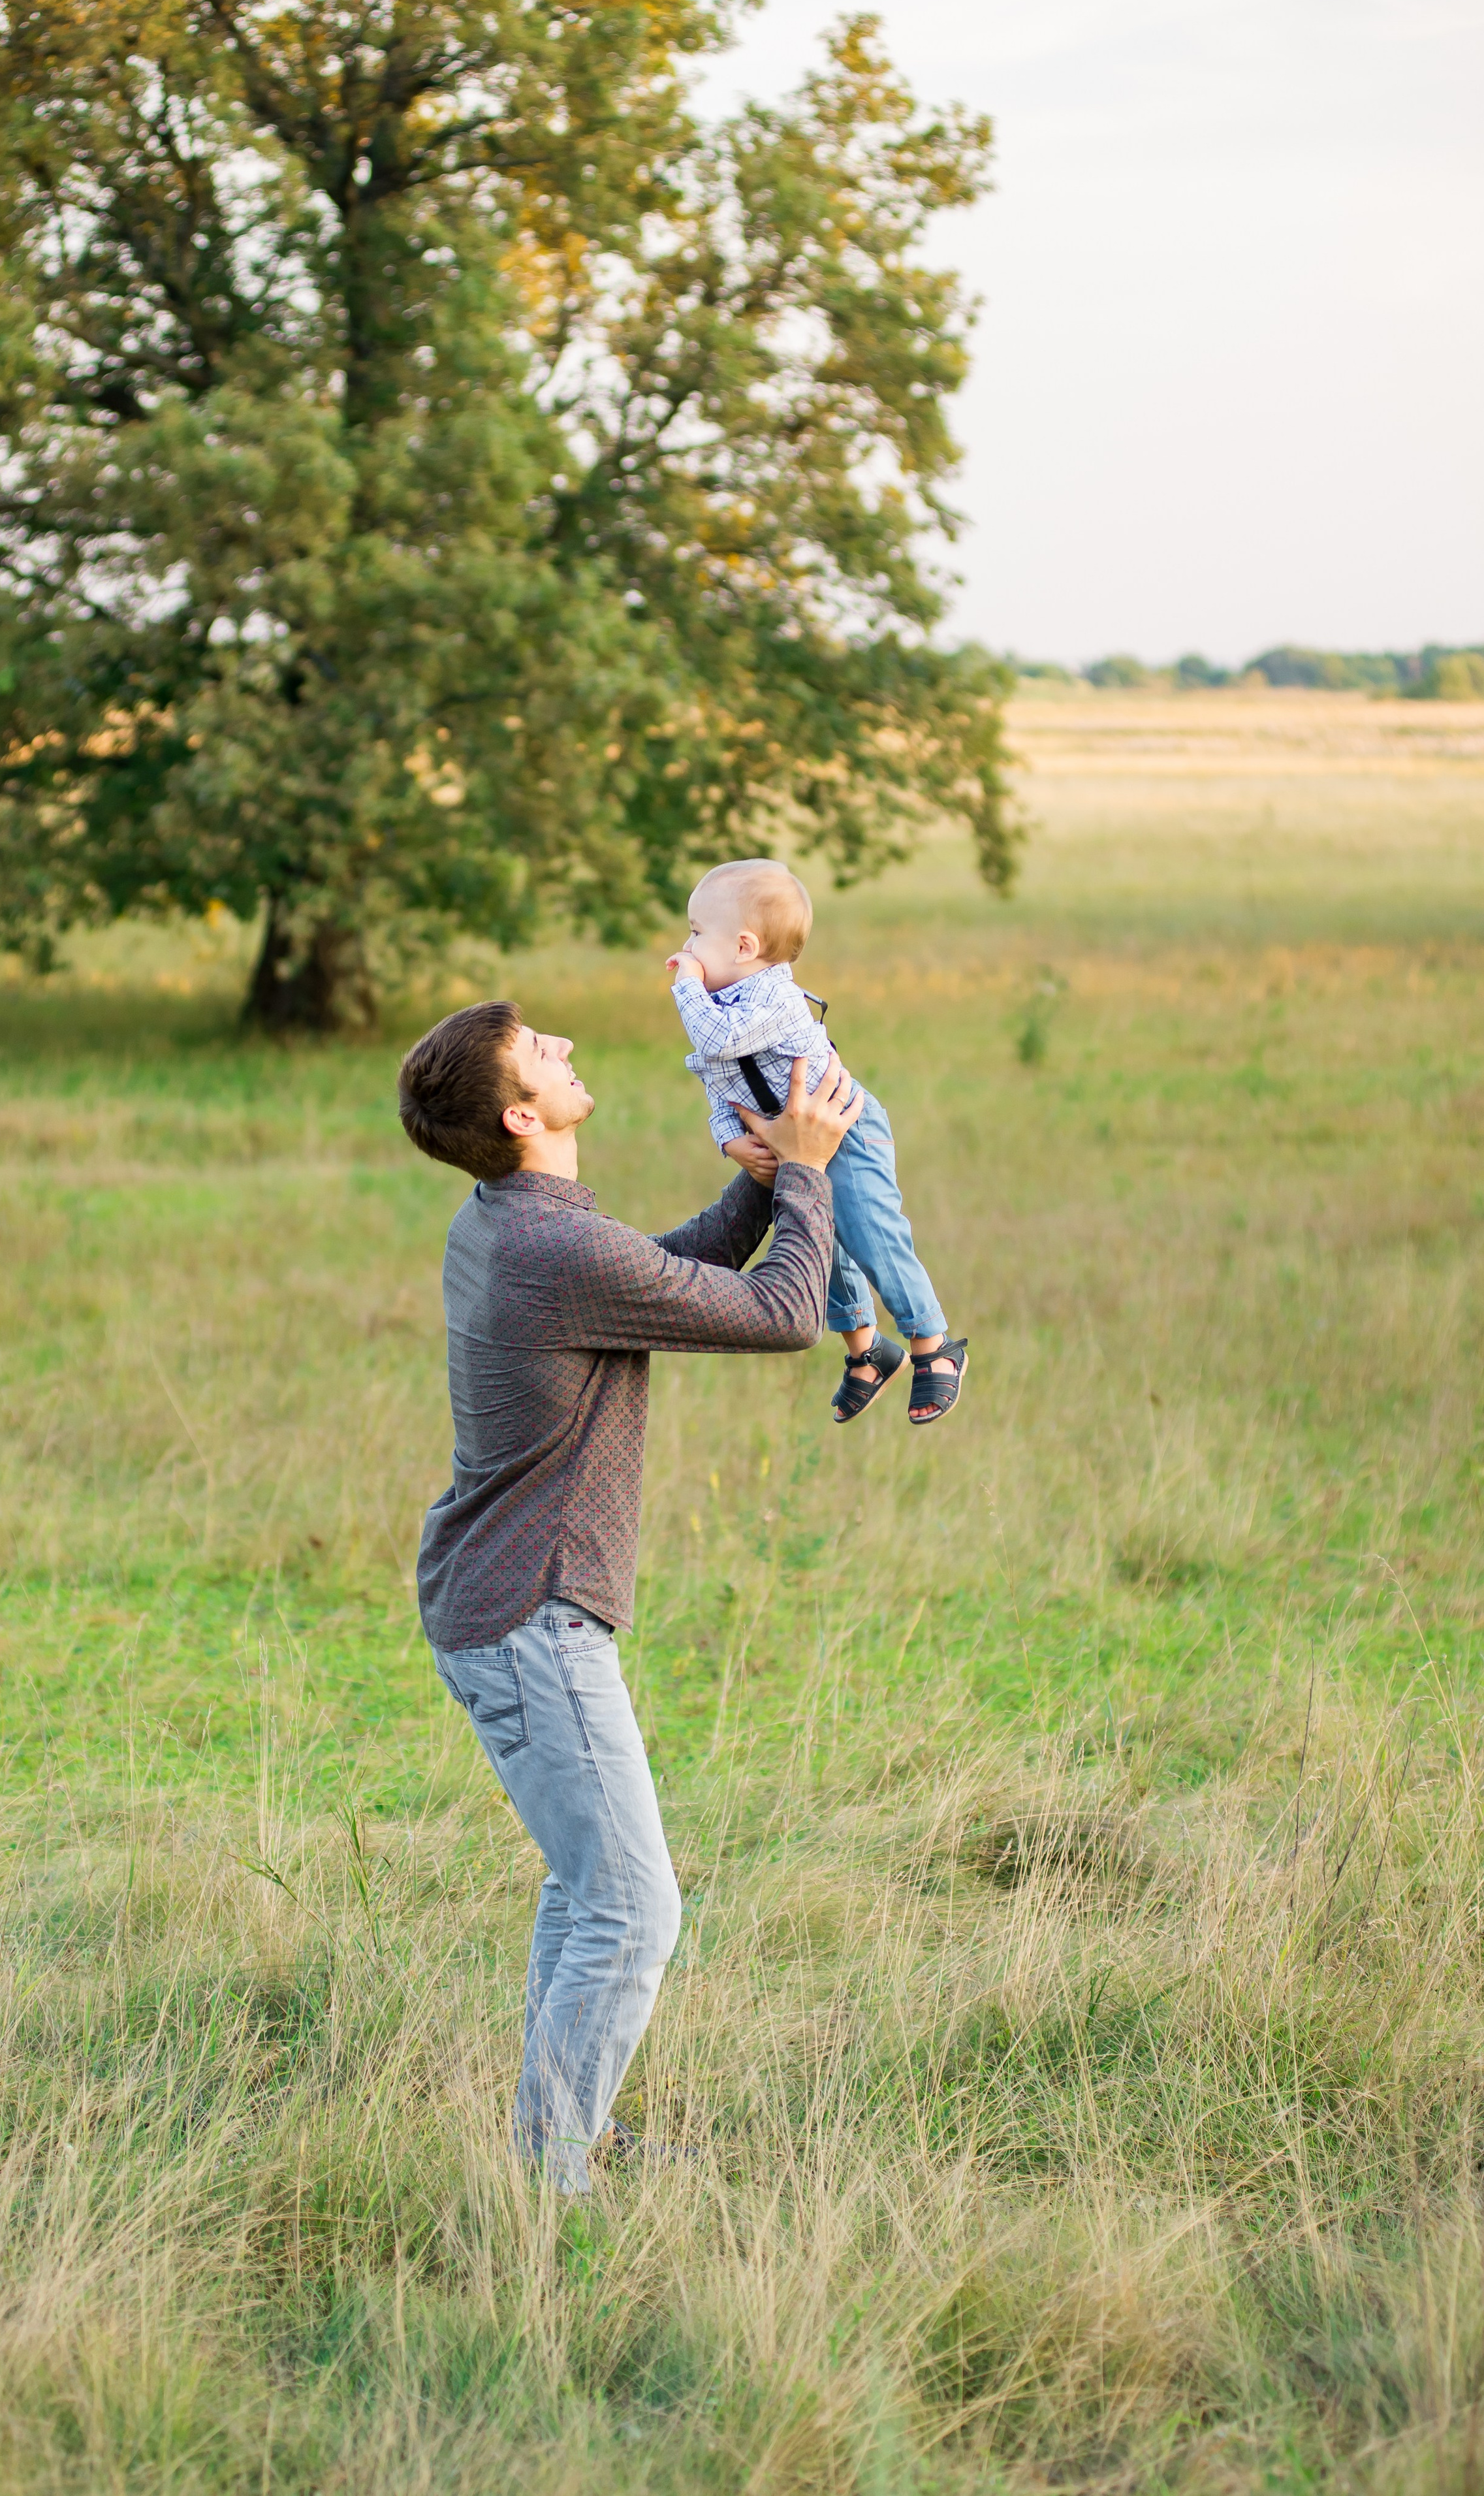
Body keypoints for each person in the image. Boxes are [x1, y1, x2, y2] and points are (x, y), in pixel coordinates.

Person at [396, 999, 859, 2194]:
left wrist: (760, 1186)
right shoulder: (549, 1248)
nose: (561, 1046)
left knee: (590, 1888)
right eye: (537, 1051)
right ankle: (553, 2186)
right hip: (530, 1615)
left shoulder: (511, 1222)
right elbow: (782, 1315)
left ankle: (555, 2140)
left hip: (500, 1602)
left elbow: (657, 1279)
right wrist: (809, 1176)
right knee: (633, 1911)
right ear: (521, 1116)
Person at [666, 858, 967, 1428]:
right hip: (795, 1142)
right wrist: (730, 1141)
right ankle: (868, 1351)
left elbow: (715, 1039)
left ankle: (934, 1343)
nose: (686, 948)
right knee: (820, 1243)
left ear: (745, 946)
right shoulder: (724, 1003)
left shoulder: (773, 1000)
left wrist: (686, 984)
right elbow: (718, 1081)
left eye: (697, 933)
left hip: (845, 1130)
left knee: (870, 1233)